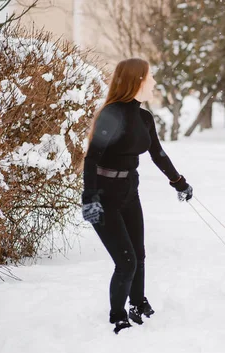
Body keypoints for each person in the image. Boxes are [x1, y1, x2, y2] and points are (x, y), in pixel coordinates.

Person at [81, 58, 193, 333]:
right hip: (104, 196)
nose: (154, 82)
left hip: (130, 190)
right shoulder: (112, 114)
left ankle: (138, 302)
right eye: (150, 76)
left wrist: (178, 182)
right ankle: (117, 316)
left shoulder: (144, 117)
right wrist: (89, 198)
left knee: (139, 255)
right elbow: (91, 158)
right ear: (137, 80)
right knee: (126, 261)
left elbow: (157, 153)